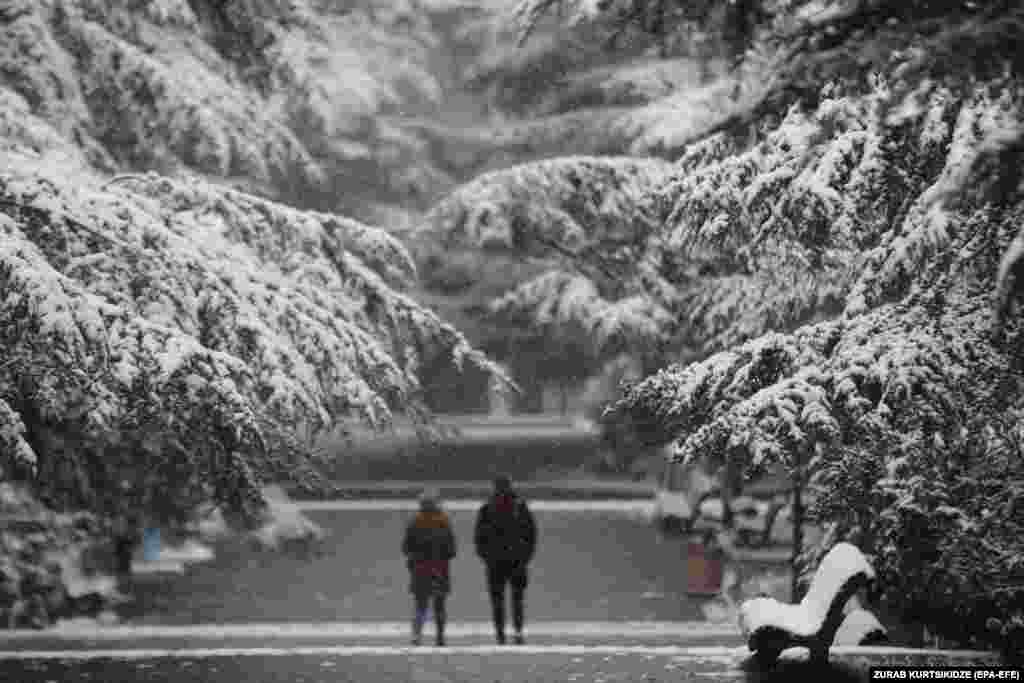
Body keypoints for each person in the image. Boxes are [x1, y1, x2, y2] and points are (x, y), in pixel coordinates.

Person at [474, 476, 537, 645]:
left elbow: (479, 538)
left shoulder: (487, 509)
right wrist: (526, 556)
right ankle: (517, 632)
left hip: (495, 563)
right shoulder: (520, 507)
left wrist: (486, 557)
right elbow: (531, 535)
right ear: (510, 487)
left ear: (494, 488)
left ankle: (500, 634)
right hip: (517, 561)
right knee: (517, 599)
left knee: (497, 601)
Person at [402, 489, 456, 646]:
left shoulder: (415, 521)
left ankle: (416, 636)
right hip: (440, 568)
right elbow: (452, 549)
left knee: (420, 605)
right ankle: (440, 637)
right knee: (440, 605)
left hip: (420, 569)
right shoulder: (443, 521)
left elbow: (405, 547)